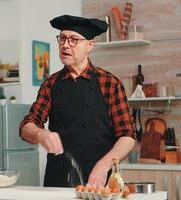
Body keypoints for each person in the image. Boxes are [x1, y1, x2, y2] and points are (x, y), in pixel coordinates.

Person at [19, 15, 136, 187]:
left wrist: (104, 166)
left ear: (90, 45)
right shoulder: (50, 84)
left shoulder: (110, 84)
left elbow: (127, 136)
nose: (65, 45)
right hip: (58, 181)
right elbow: (26, 126)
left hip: (100, 181)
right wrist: (41, 134)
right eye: (63, 39)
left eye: (73, 40)